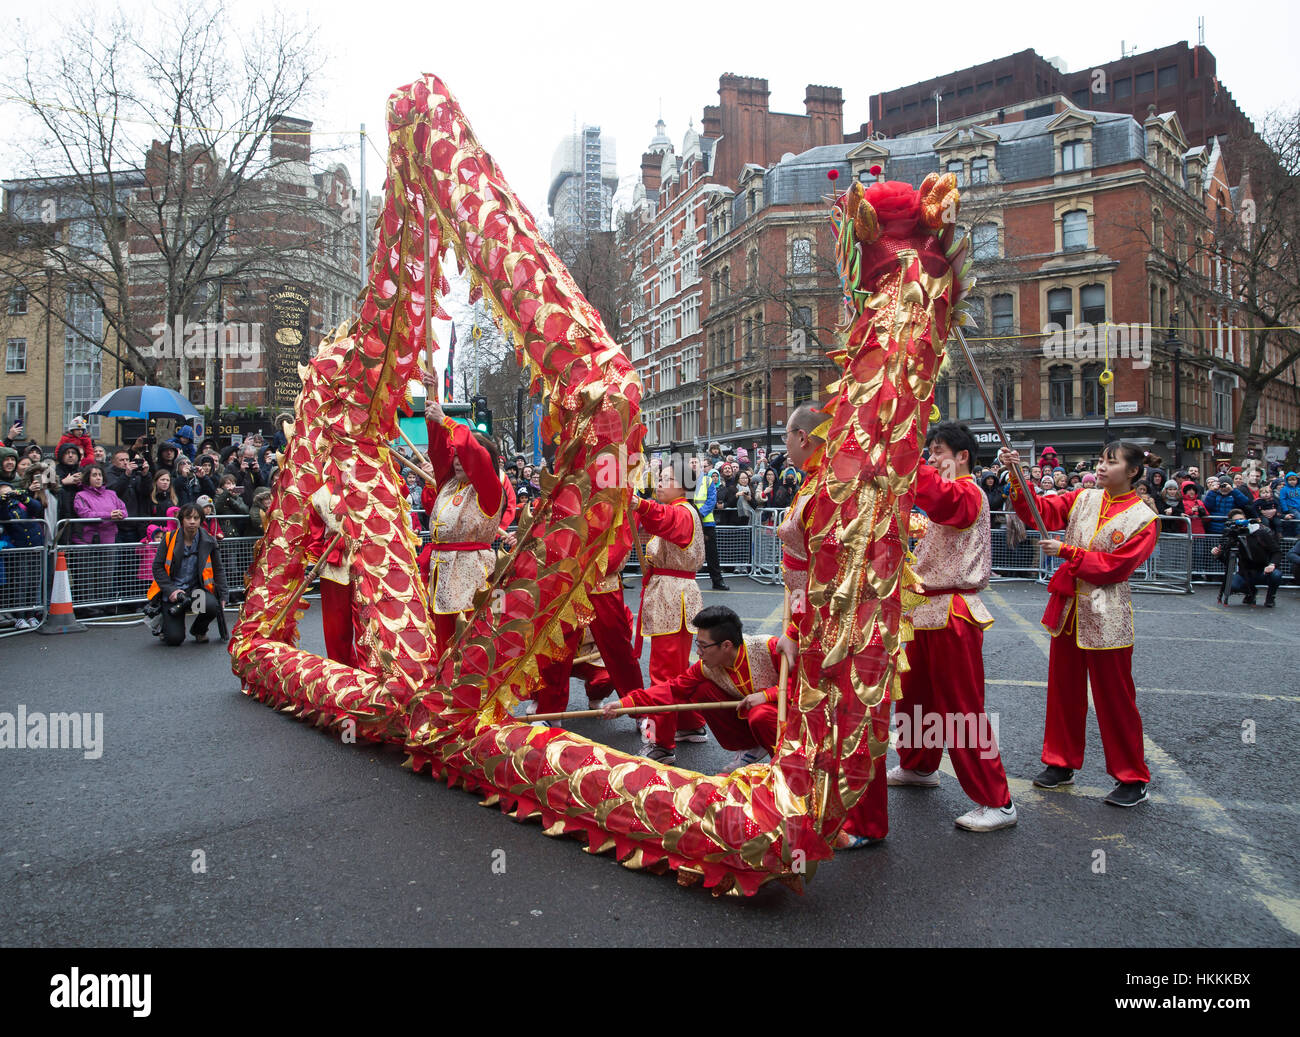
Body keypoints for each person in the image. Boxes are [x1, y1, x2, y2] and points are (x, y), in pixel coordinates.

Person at [1002, 441, 1158, 807]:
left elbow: (1115, 568)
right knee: (1063, 692)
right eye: (1101, 461)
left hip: (1108, 613)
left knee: (1116, 699)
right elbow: (1038, 511)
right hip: (1070, 608)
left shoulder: (1144, 520)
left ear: (1133, 471)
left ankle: (1132, 777)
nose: (1102, 467)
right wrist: (1016, 476)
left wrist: (1068, 552)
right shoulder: (1083, 498)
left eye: (1111, 462)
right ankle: (1060, 762)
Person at [777, 402, 888, 848]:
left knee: (854, 718)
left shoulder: (834, 485)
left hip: (846, 624)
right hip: (814, 621)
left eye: (787, 436)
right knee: (826, 719)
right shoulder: (814, 483)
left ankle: (864, 821)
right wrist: (793, 629)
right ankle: (826, 806)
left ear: (804, 438)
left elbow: (835, 566)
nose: (784, 445)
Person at [895, 423, 1015, 831]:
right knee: (915, 700)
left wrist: (905, 453)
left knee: (961, 710)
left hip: (953, 610)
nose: (931, 457)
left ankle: (996, 800)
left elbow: (940, 497)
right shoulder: (948, 493)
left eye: (938, 450)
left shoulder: (968, 491)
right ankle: (919, 765)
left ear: (962, 456)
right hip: (925, 609)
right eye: (927, 451)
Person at [602, 606, 780, 769]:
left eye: (703, 646)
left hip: (791, 718)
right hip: (752, 714)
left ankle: (783, 764)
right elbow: (672, 689)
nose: (698, 653)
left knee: (760, 714)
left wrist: (767, 695)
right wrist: (624, 704)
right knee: (700, 689)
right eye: (698, 645)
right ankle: (749, 746)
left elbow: (804, 687)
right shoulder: (706, 667)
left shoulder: (768, 647)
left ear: (726, 645)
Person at [418, 372, 504, 656]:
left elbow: (475, 455)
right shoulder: (449, 484)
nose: (455, 461)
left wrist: (446, 420)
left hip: (472, 577)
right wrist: (431, 398)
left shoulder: (489, 490)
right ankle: (444, 693)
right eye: (454, 456)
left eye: (460, 456)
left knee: (472, 644)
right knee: (442, 644)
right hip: (442, 572)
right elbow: (438, 451)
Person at [630, 464, 707, 763]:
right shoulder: (678, 510)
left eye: (667, 479)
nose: (660, 483)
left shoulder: (682, 511)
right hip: (672, 595)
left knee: (663, 673)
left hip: (673, 598)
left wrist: (639, 503)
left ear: (684, 486)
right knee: (677, 671)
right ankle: (690, 724)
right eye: (659, 479)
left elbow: (663, 519)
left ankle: (662, 743)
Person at [148, 503, 228, 645]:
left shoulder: (209, 541)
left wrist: (223, 595)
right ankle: (164, 624)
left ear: (201, 520)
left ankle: (199, 630)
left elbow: (218, 569)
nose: (192, 521)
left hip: (195, 591)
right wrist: (171, 590)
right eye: (188, 517)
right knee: (174, 640)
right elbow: (157, 567)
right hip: (173, 593)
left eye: (196, 518)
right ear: (182, 520)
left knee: (212, 605)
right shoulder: (168, 538)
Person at [1213, 507, 1283, 607]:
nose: (1240, 523)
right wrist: (1218, 554)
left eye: (1241, 519)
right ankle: (1251, 592)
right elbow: (1228, 560)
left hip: (1264, 569)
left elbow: (1277, 551)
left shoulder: (1260, 533)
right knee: (1231, 585)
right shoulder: (1232, 536)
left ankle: (1270, 598)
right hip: (1245, 572)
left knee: (1276, 575)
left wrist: (1272, 564)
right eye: (1236, 521)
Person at [691, 456, 728, 590]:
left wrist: (699, 515)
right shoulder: (685, 482)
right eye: (692, 463)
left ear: (702, 466)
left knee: (712, 554)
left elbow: (712, 500)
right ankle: (688, 583)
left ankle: (717, 581)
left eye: (696, 463)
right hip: (690, 522)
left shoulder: (707, 481)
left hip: (706, 523)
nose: (694, 465)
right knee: (689, 553)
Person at [72, 464, 128, 545]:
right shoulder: (80, 495)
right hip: (89, 541)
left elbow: (124, 510)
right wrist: (109, 515)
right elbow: (85, 514)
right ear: (88, 478)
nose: (98, 478)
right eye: (94, 475)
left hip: (110, 539)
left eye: (100, 475)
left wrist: (120, 514)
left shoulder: (111, 494)